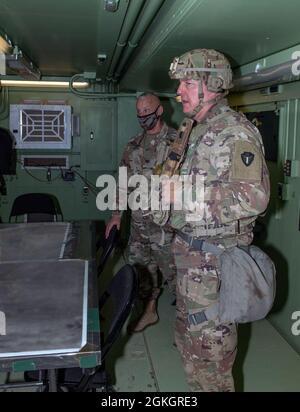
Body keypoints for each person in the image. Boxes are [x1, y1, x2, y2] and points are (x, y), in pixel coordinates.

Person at [163, 49, 270, 391]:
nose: (179, 91)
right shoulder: (193, 129)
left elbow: (254, 198)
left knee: (212, 365)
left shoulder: (236, 132)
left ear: (213, 85)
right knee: (190, 351)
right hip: (190, 262)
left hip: (214, 267)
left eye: (188, 82)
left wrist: (182, 196)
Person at [105, 93, 177, 332]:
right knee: (142, 272)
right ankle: (149, 311)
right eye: (139, 113)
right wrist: (116, 214)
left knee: (178, 276)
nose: (143, 116)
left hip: (169, 228)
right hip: (139, 226)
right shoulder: (133, 145)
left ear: (160, 111)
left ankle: (186, 327)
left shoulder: (178, 143)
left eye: (147, 112)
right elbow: (122, 182)